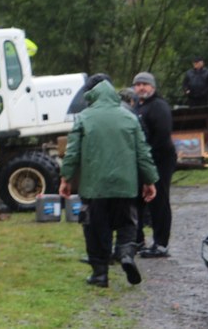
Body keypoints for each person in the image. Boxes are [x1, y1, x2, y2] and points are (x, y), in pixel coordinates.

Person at [59, 79, 158, 288]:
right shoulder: (129, 117)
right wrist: (149, 180)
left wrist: (66, 178)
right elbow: (143, 153)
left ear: (92, 98)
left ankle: (100, 274)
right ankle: (126, 254)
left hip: (94, 187)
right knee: (126, 224)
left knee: (95, 229)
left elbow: (72, 153)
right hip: (125, 185)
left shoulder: (84, 118)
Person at [131, 72, 175, 258]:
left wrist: (149, 156)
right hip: (143, 162)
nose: (141, 87)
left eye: (145, 84)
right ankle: (138, 240)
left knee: (159, 200)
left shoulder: (158, 106)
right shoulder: (138, 107)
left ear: (153, 87)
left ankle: (161, 243)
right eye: (138, 84)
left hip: (160, 159)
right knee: (138, 200)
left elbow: (162, 135)